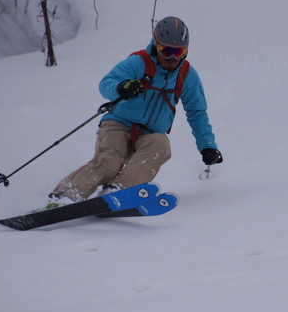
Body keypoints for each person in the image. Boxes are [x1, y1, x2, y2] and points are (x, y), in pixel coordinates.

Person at [49, 16, 222, 203]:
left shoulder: (187, 75)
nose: (172, 57)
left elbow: (197, 112)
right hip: (118, 124)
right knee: (110, 161)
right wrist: (121, 87)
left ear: (186, 51)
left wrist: (207, 146)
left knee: (161, 145)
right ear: (156, 45)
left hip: (150, 133)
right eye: (166, 50)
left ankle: (116, 191)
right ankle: (64, 195)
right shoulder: (139, 62)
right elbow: (106, 83)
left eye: (178, 52)